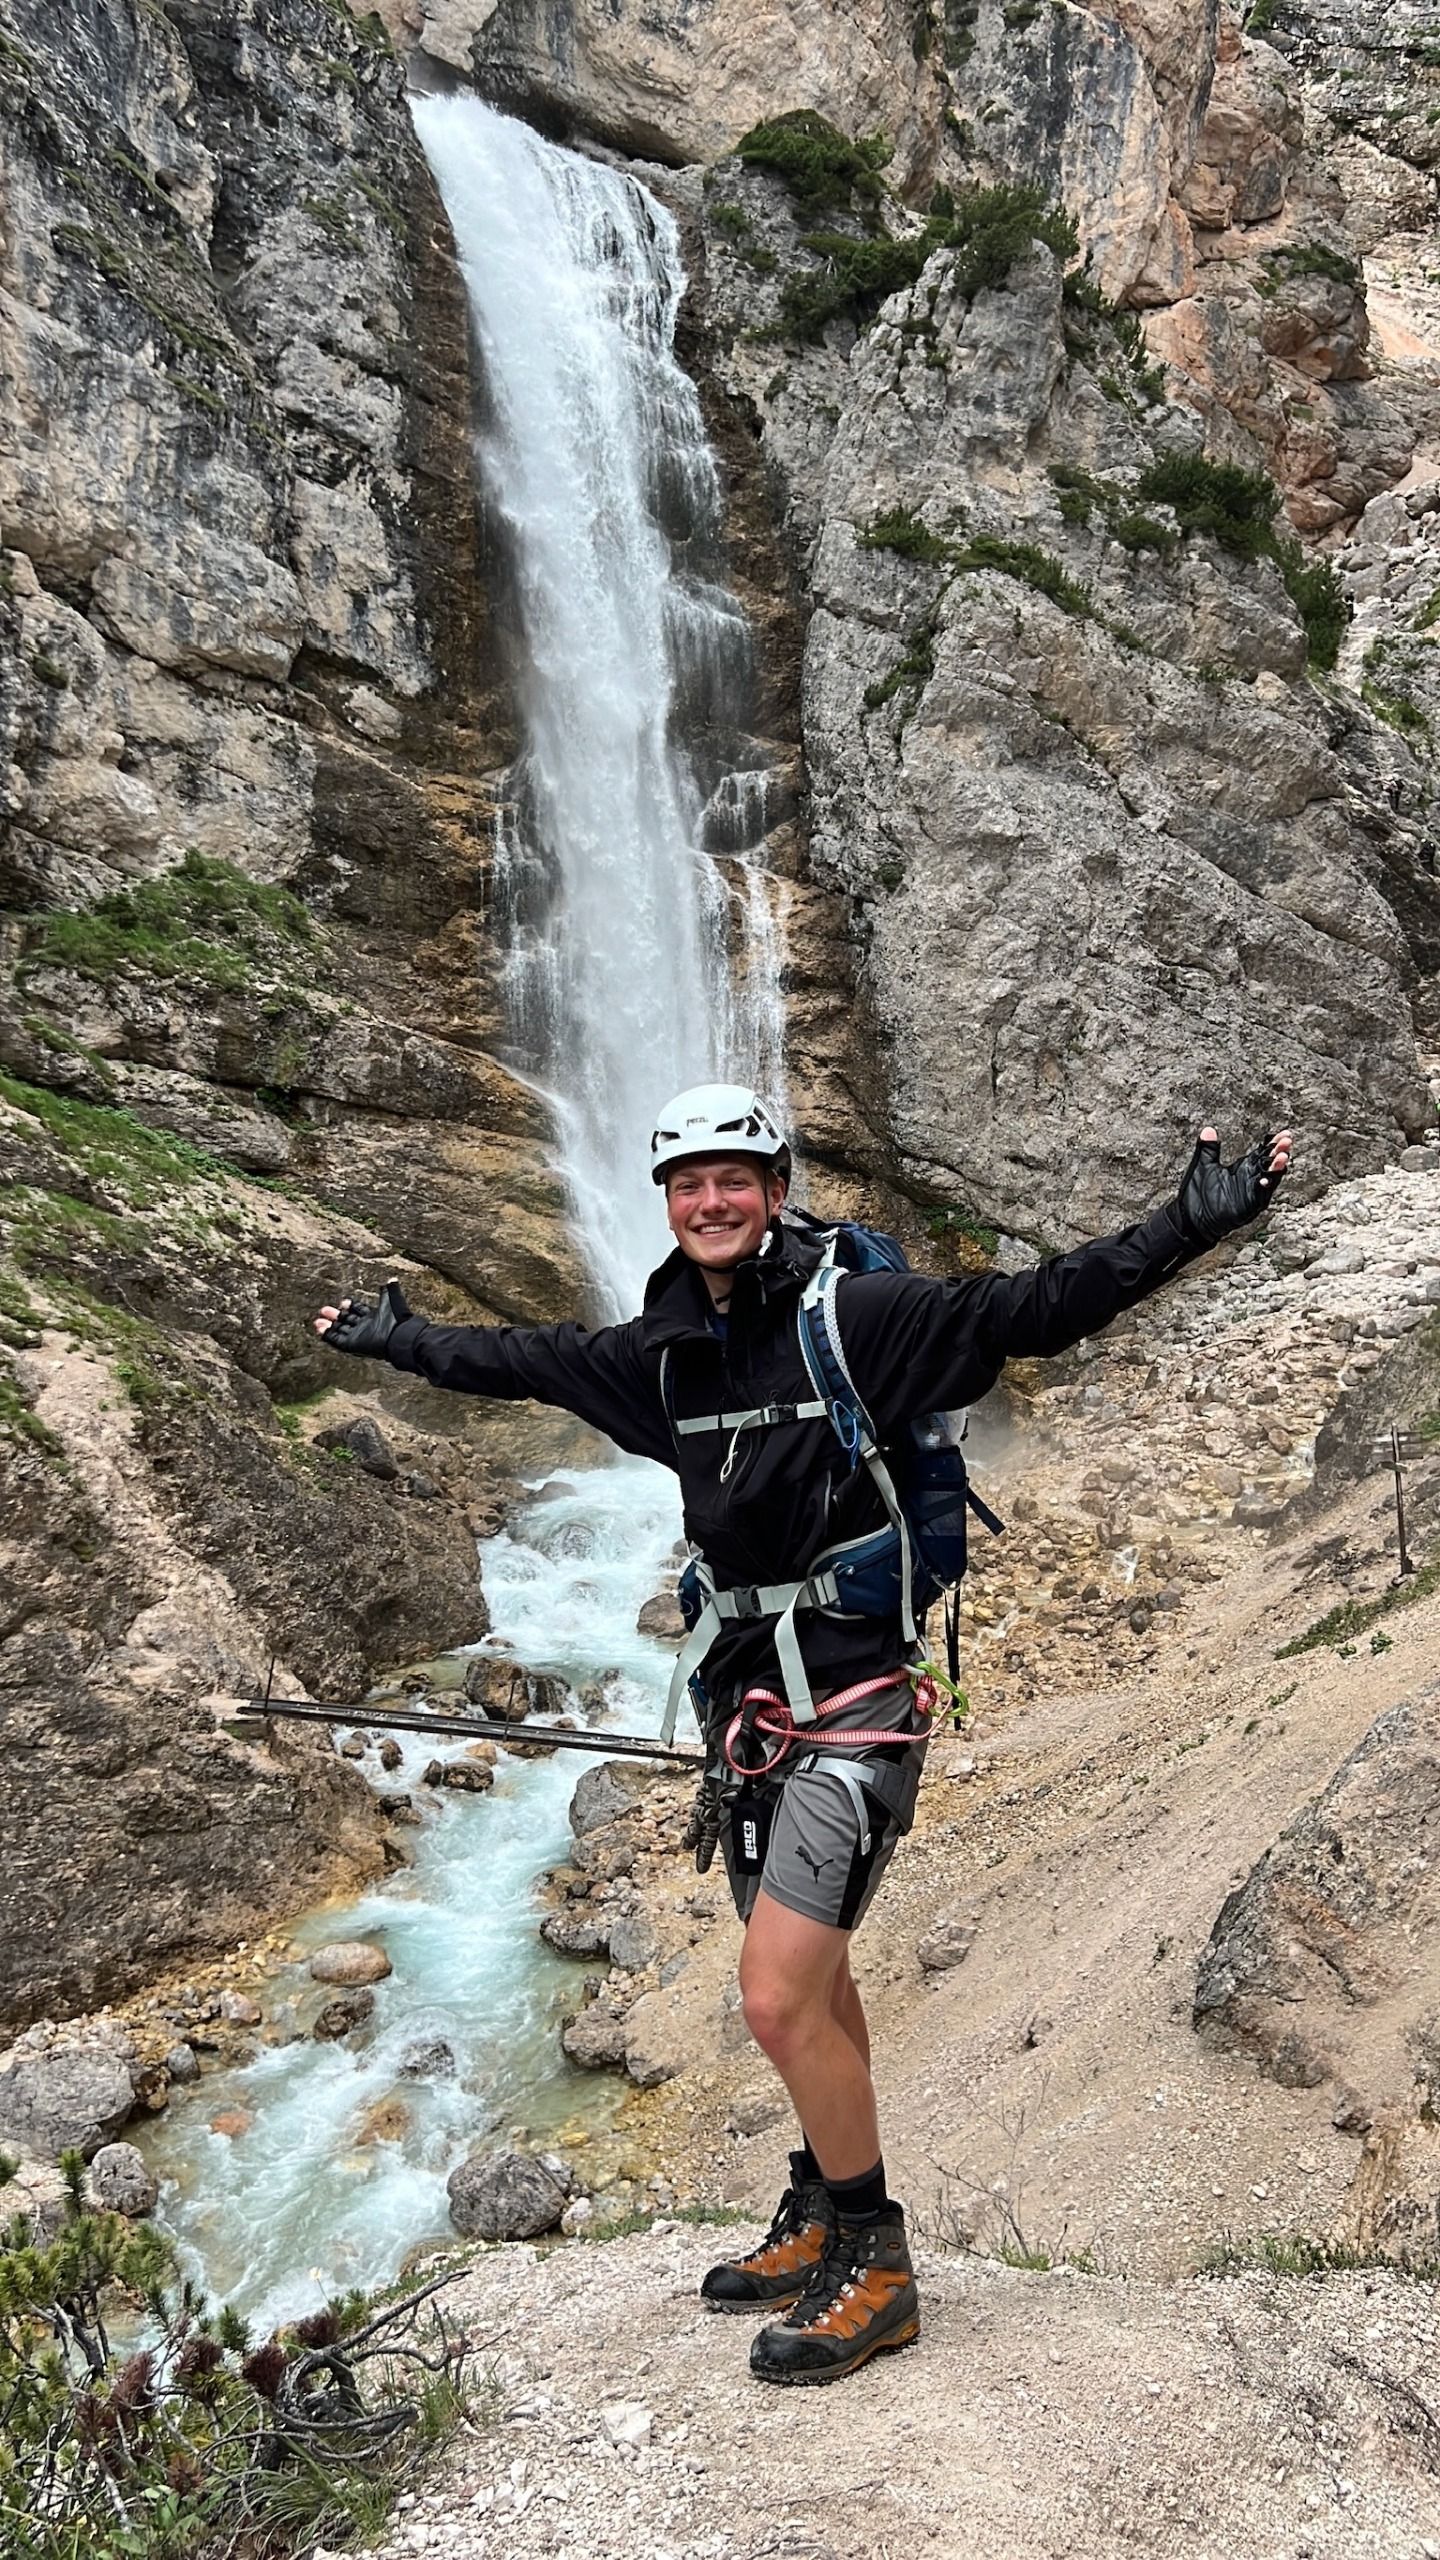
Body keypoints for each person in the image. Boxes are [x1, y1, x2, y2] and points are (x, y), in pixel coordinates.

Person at [315, 1086, 1292, 2386]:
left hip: (853, 1714)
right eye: (687, 1182)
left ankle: (877, 2266)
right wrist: (401, 1340)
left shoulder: (860, 1324)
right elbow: (532, 1357)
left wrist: (1184, 1225)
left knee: (774, 1997)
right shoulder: (666, 1357)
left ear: (775, 1189)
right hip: (747, 1722)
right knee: (819, 1990)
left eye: (736, 1178)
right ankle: (822, 2210)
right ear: (666, 1203)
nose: (711, 1201)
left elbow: (1032, 1308)